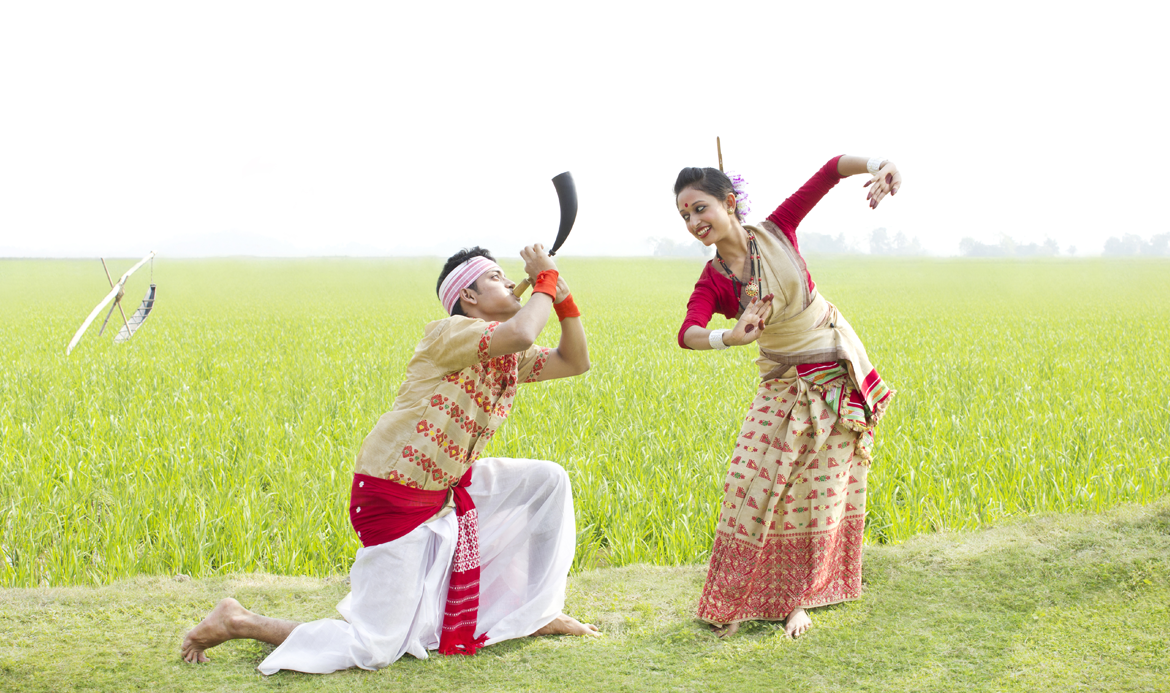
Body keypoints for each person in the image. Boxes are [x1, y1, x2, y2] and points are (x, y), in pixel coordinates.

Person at [181, 244, 599, 673]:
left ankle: (534, 612)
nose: (511, 281)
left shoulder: (507, 354)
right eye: (495, 277)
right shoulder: (449, 332)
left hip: (448, 487)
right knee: (373, 648)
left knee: (547, 481)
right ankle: (238, 620)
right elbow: (524, 332)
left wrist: (563, 298)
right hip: (392, 497)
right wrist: (545, 281)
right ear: (468, 298)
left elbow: (575, 360)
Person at [675, 154, 901, 639]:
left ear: (729, 203)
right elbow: (687, 332)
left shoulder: (778, 230)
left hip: (834, 371)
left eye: (699, 209)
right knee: (747, 482)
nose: (694, 223)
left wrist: (880, 164)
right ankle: (734, 601)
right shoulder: (714, 279)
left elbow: (830, 170)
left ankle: (797, 600)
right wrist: (730, 337)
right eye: (685, 217)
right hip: (782, 380)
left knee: (817, 490)